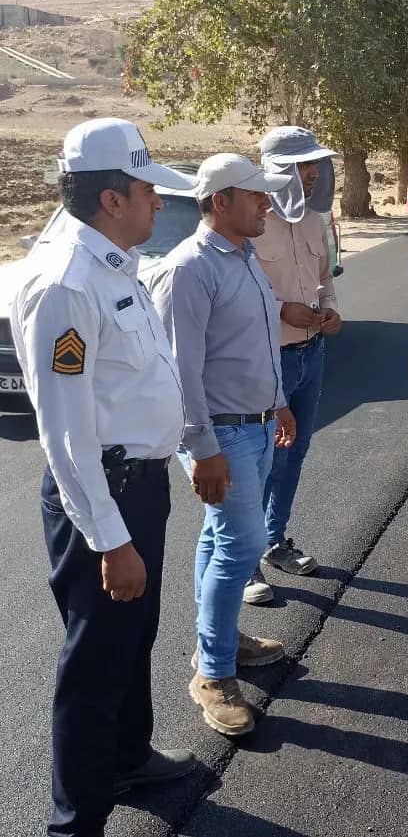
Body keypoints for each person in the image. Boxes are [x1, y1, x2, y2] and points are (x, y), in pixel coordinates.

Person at [10, 118, 197, 837]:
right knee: (94, 663)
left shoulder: (115, 261)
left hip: (137, 486)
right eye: (149, 191)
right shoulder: (66, 283)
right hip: (103, 498)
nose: (159, 202)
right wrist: (111, 541)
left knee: (134, 634)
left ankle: (128, 756)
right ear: (112, 199)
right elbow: (65, 434)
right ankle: (75, 822)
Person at [150, 154, 297, 737]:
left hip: (255, 425)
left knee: (220, 537)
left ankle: (220, 639)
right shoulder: (188, 269)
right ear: (220, 201)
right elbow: (178, 371)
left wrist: (278, 400)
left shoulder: (244, 256)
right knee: (244, 543)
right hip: (221, 432)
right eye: (256, 194)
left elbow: (259, 343)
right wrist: (201, 447)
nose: (266, 203)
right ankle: (212, 673)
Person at [239, 126, 342, 605]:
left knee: (294, 452)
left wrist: (331, 309)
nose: (312, 172)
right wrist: (282, 311)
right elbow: (240, 292)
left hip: (311, 352)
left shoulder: (316, 219)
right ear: (278, 169)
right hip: (269, 358)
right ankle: (243, 564)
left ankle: (274, 540)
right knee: (261, 460)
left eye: (314, 163)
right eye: (303, 165)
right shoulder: (254, 222)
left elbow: (325, 278)